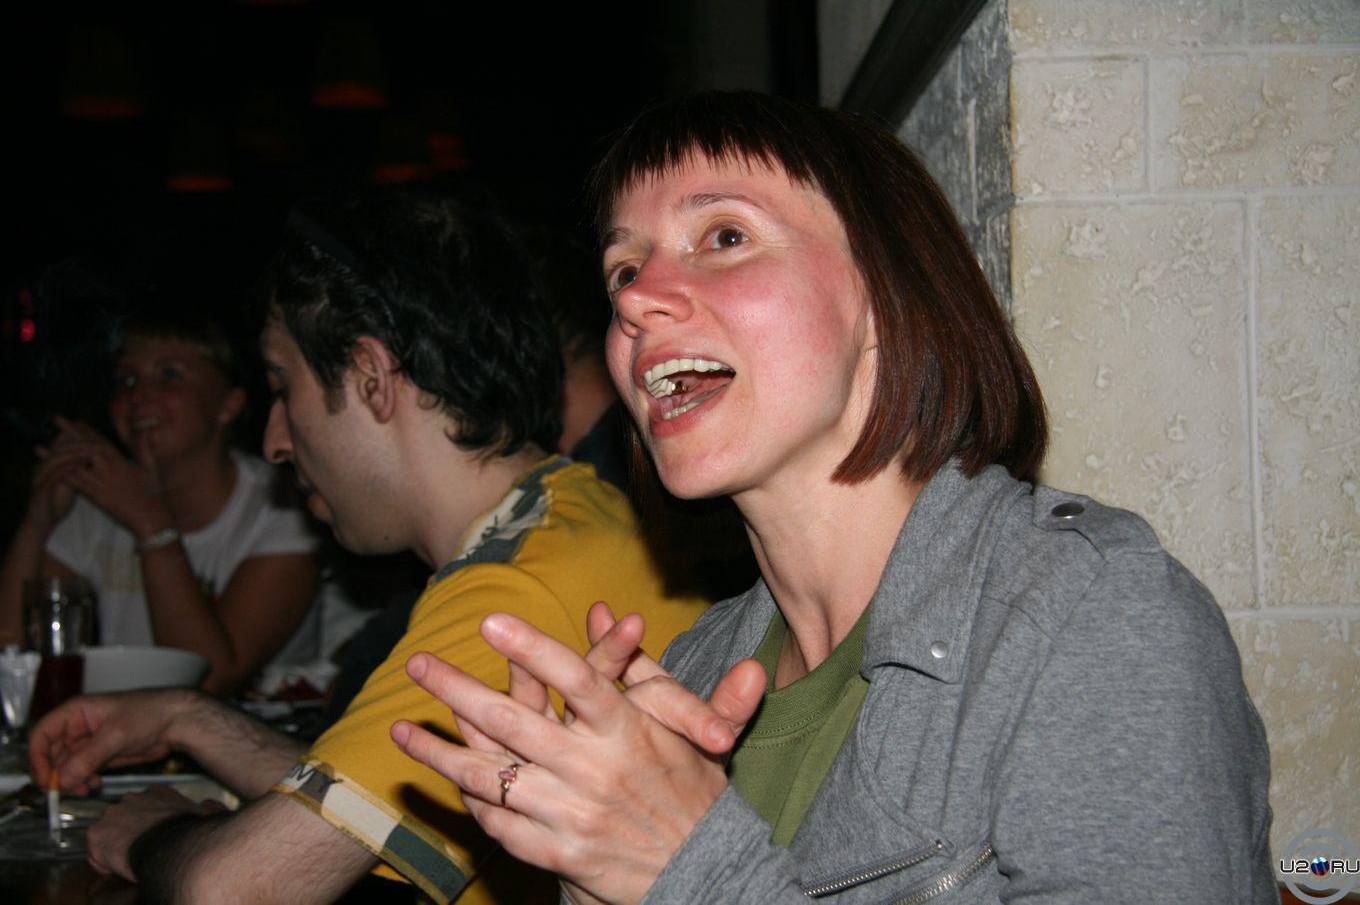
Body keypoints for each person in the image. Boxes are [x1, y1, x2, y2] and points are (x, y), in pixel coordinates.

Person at [391, 92, 1278, 904]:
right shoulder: (691, 670)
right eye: (624, 270)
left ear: (885, 293)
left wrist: (690, 866)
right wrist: (594, 878)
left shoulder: (1089, 618)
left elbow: (698, 871)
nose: (639, 301)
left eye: (724, 236)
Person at [28, 190, 709, 904]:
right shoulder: (569, 516)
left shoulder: (512, 593)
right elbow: (356, 806)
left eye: (283, 386)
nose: (275, 442)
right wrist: (183, 717)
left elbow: (235, 889)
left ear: (370, 376)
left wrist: (150, 831)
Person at [0, 306, 321, 695]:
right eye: (127, 379)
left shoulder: (280, 509)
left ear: (229, 404)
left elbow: (210, 679)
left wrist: (151, 524)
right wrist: (37, 522)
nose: (138, 396)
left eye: (169, 375)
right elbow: (10, 654)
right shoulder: (99, 498)